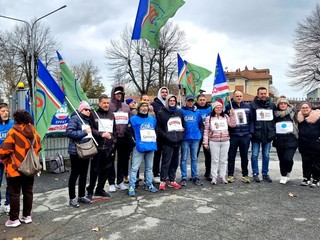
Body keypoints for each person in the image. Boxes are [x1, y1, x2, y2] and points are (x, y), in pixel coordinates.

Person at [0, 109, 41, 227]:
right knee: (28, 191)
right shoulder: (33, 131)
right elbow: (38, 147)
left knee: (14, 194)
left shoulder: (13, 132)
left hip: (15, 168)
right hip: (29, 167)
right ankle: (27, 216)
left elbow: (4, 151)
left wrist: (7, 159)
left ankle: (14, 219)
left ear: (17, 119)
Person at [86, 95, 116, 199]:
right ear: (99, 103)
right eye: (104, 103)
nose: (106, 105)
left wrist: (113, 142)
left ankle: (100, 189)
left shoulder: (112, 115)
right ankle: (90, 190)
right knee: (94, 170)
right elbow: (90, 129)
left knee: (106, 170)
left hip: (108, 148)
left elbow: (115, 130)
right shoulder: (93, 114)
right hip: (97, 147)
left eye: (108, 103)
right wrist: (100, 134)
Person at [127, 101, 158, 196]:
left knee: (149, 167)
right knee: (134, 168)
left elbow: (155, 131)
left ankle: (149, 184)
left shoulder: (152, 119)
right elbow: (129, 132)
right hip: (139, 146)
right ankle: (131, 185)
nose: (145, 108)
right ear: (138, 108)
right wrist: (134, 142)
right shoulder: (133, 119)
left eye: (146, 106)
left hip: (150, 146)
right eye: (143, 106)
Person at [66, 101, 93, 207]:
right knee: (74, 174)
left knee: (84, 174)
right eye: (86, 109)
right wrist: (84, 132)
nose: (88, 112)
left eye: (89, 110)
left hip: (86, 150)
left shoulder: (86, 120)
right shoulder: (75, 119)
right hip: (76, 151)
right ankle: (72, 198)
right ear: (81, 110)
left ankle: (81, 195)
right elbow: (69, 132)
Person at [203, 101, 236, 185]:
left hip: (225, 140)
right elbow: (206, 130)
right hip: (214, 141)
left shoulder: (225, 116)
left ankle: (222, 176)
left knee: (224, 160)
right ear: (213, 108)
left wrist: (232, 115)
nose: (219, 109)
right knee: (214, 159)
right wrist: (205, 142)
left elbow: (233, 125)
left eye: (220, 107)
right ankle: (214, 177)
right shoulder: (209, 118)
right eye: (217, 107)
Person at [156, 94, 184, 190]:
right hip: (167, 142)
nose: (172, 102)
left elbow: (183, 125)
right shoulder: (161, 113)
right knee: (166, 162)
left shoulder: (179, 112)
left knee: (175, 162)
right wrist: (165, 136)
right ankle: (163, 180)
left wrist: (181, 136)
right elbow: (158, 128)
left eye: (173, 101)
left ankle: (172, 180)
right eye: (170, 100)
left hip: (177, 140)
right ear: (167, 101)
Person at [225, 90, 253, 183]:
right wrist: (230, 114)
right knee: (231, 156)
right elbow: (225, 121)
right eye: (237, 96)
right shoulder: (229, 107)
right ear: (233, 97)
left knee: (244, 156)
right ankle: (230, 175)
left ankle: (245, 175)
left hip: (245, 135)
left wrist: (250, 133)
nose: (239, 98)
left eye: (240, 96)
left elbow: (252, 120)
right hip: (233, 135)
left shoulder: (248, 106)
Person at [250, 87, 276, 183]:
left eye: (265, 93)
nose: (263, 95)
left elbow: (275, 119)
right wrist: (252, 132)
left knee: (266, 155)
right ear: (258, 94)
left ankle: (265, 173)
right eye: (261, 93)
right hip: (256, 134)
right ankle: (255, 173)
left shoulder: (272, 105)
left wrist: (273, 132)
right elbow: (251, 120)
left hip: (268, 134)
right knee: (254, 155)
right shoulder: (252, 105)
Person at [108, 86, 131, 191]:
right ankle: (111, 182)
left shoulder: (126, 106)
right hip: (113, 138)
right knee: (110, 161)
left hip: (124, 138)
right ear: (113, 94)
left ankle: (120, 181)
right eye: (117, 93)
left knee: (122, 160)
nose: (119, 95)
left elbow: (132, 119)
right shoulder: (109, 106)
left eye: (120, 93)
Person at [273, 96, 298, 184]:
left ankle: (288, 171)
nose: (283, 105)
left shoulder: (293, 113)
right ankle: (283, 175)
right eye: (281, 104)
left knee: (288, 159)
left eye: (284, 104)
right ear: (278, 105)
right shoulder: (275, 114)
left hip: (291, 139)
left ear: (287, 105)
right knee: (282, 159)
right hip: (279, 139)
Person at [180, 95, 204, 186]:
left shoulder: (197, 112)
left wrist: (200, 133)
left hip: (195, 138)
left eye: (192, 101)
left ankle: (194, 176)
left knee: (194, 158)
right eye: (189, 101)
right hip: (185, 138)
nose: (190, 102)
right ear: (185, 101)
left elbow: (201, 124)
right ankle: (184, 177)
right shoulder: (181, 111)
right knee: (184, 158)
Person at [297, 102, 320, 187]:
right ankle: (306, 178)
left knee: (316, 162)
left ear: (310, 108)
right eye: (303, 108)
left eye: (307, 107)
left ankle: (316, 179)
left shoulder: (317, 118)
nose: (305, 109)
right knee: (306, 162)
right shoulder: (300, 118)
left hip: (316, 144)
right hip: (304, 144)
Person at [151, 86, 169, 183]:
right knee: (157, 155)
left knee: (166, 155)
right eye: (163, 92)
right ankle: (155, 173)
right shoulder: (154, 104)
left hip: (167, 133)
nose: (164, 94)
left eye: (166, 92)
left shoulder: (169, 103)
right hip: (157, 133)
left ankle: (164, 174)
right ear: (159, 93)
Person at [0, 103, 14, 215]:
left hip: (9, 160)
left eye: (6, 111)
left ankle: (8, 204)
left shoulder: (12, 124)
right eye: (2, 111)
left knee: (10, 183)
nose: (5, 113)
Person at [194, 94, 212, 181]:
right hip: (197, 134)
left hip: (207, 135)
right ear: (197, 100)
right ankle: (194, 174)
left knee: (208, 155)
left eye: (203, 100)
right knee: (195, 155)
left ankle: (208, 173)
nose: (202, 101)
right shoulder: (194, 108)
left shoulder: (209, 108)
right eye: (200, 100)